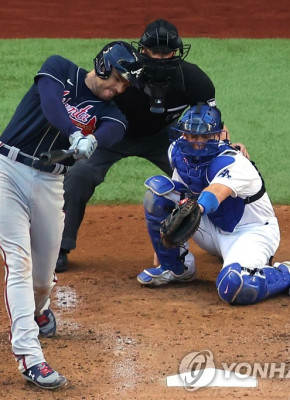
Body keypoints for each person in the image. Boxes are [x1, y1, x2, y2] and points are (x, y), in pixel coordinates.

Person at [0, 41, 144, 389]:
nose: (117, 89)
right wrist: (74, 132)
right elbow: (51, 104)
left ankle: (40, 309)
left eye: (124, 86)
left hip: (50, 185)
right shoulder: (59, 69)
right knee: (18, 263)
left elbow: (113, 130)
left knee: (43, 277)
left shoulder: (112, 113)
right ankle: (30, 358)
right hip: (7, 172)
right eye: (116, 79)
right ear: (102, 67)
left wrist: (94, 140)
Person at [56, 19, 246, 272]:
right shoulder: (121, 72)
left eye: (166, 52)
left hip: (162, 138)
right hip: (111, 134)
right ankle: (59, 247)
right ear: (142, 51)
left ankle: (232, 240)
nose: (160, 57)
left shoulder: (193, 80)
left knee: (208, 173)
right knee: (79, 174)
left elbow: (211, 123)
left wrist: (228, 148)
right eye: (154, 52)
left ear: (176, 53)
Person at [137, 104, 290, 305]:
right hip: (211, 228)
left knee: (233, 286)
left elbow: (215, 194)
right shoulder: (178, 152)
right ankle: (177, 268)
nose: (196, 143)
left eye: (203, 137)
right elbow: (179, 187)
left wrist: (196, 208)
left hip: (250, 232)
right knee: (158, 192)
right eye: (190, 136)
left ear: (218, 136)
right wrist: (163, 246)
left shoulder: (233, 162)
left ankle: (287, 274)